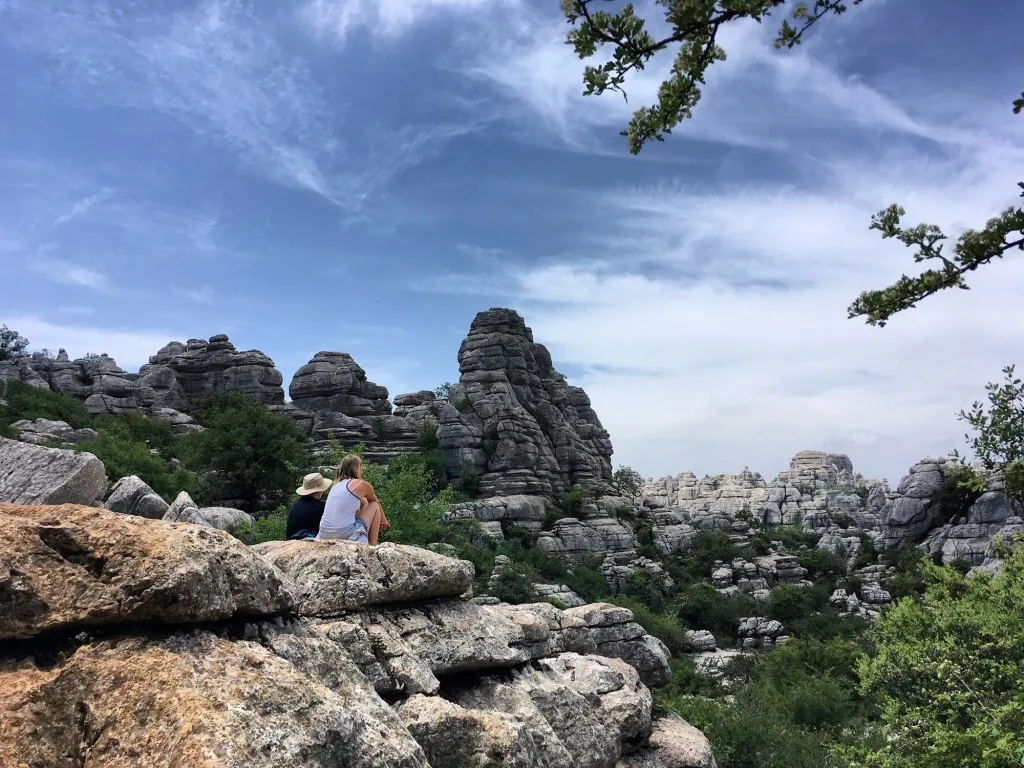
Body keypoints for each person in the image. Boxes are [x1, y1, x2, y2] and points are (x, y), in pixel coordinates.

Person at [318, 454, 390, 544]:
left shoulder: (335, 485)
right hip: (344, 533)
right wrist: (383, 520)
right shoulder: (361, 484)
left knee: (357, 507)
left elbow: (363, 503)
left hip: (324, 533)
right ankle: (373, 543)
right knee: (374, 505)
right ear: (358, 468)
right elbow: (375, 502)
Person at [285, 472, 333, 540]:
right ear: (317, 492)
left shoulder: (295, 505)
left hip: (291, 539)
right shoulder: (321, 507)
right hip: (308, 540)